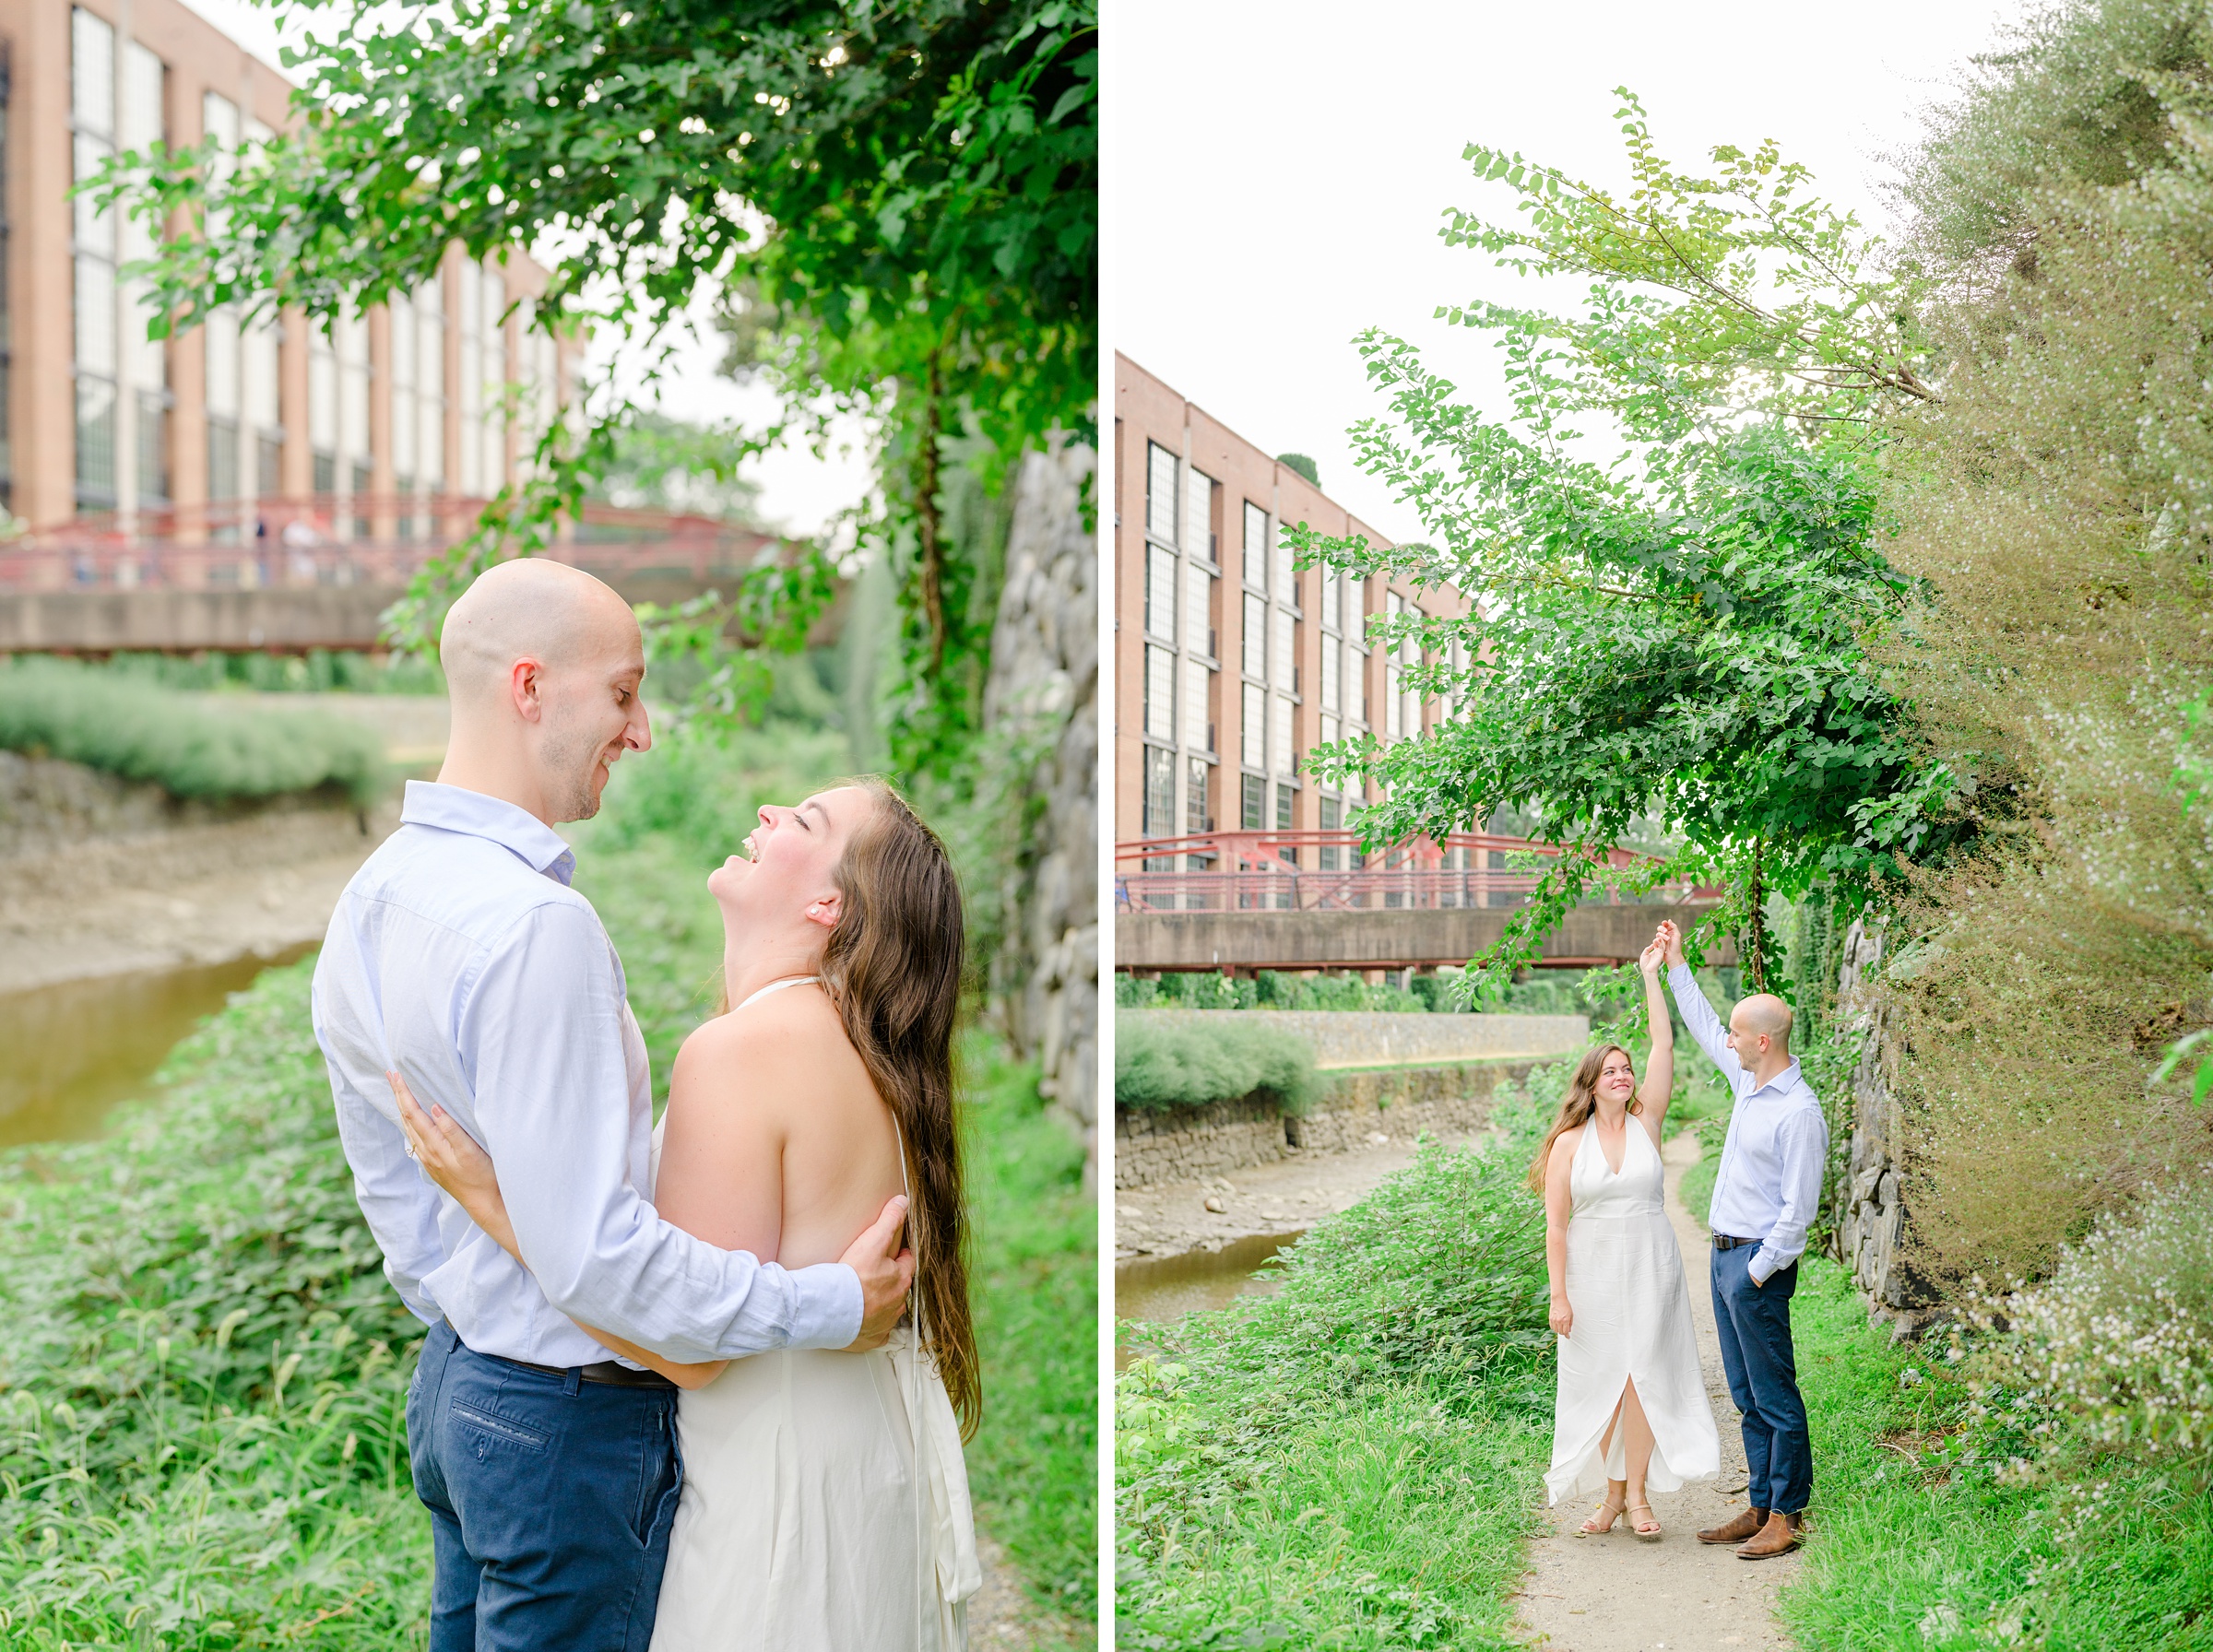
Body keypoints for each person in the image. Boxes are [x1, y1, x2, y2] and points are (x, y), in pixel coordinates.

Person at [311, 558, 916, 1650]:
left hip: (455, 1389)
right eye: (626, 693)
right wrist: (831, 1303)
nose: (641, 731)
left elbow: (389, 1180)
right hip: (565, 1421)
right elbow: (600, 1261)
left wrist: (473, 1286)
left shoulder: (373, 895)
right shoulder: (538, 928)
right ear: (531, 687)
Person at [392, 775, 984, 1649]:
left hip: (771, 1488)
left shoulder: (744, 1050)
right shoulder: (866, 1048)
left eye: (805, 820)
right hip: (858, 1457)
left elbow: (686, 1350)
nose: (768, 814)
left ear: (831, 903)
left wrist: (489, 1199)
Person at [1534, 936, 1722, 1540]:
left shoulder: (1649, 1122)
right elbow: (1556, 1225)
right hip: (1590, 1274)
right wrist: (1559, 1296)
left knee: (1643, 1378)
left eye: (1626, 1068)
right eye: (1610, 1070)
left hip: (1650, 1267)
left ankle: (1634, 1496)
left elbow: (1663, 1042)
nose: (1623, 1075)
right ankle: (1611, 1498)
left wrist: (1652, 975)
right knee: (1606, 1384)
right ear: (1590, 1084)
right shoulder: (1567, 1145)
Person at [1657, 917, 1828, 1560]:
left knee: (1775, 1391)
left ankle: (1788, 1513)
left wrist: (1758, 1270)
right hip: (1723, 1256)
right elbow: (1703, 1026)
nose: (1725, 1040)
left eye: (1736, 1032)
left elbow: (1797, 1210)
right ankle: (1759, 1503)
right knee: (1745, 1392)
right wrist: (1677, 964)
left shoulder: (1798, 1112)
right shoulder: (1748, 1083)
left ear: (1762, 1040)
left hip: (1755, 1263)